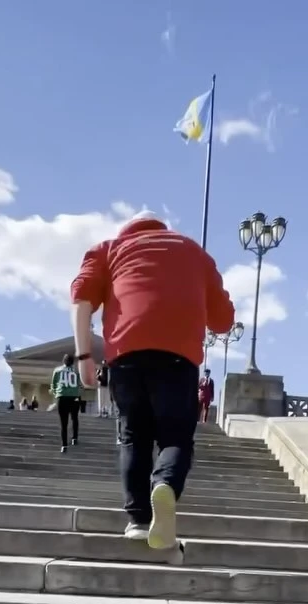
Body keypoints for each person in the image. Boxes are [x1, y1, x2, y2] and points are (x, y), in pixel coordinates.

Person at [71, 211, 234, 547]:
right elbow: (223, 321)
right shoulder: (194, 253)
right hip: (178, 356)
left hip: (126, 354)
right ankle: (166, 485)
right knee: (176, 437)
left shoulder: (109, 248)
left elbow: (82, 299)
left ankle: (138, 520)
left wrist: (84, 356)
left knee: (134, 435)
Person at [50, 353, 81, 453]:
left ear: (63, 361)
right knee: (74, 418)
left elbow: (53, 384)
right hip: (74, 397)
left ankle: (64, 445)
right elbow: (79, 384)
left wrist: (56, 393)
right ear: (73, 362)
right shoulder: (76, 371)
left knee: (64, 423)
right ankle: (74, 438)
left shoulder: (58, 370)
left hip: (62, 397)